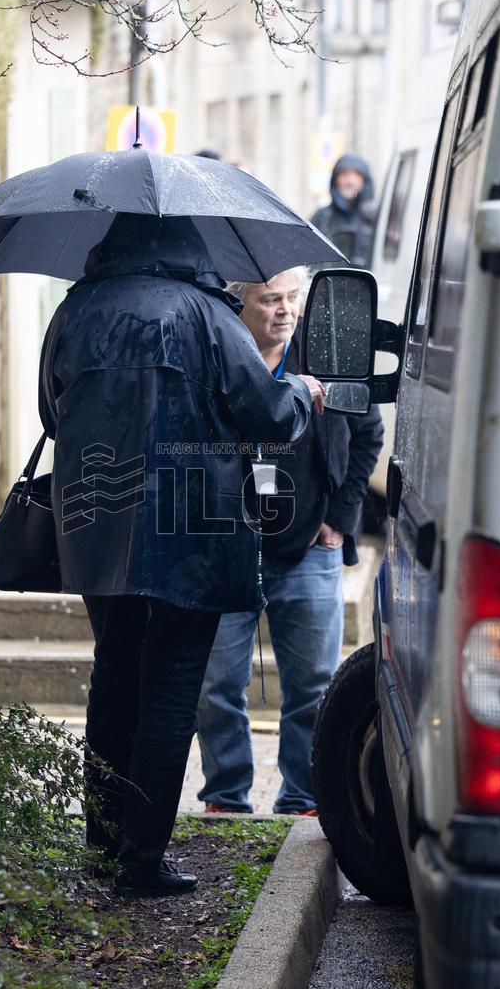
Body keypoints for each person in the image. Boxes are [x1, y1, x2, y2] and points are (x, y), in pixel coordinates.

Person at [38, 215, 326, 896]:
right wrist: (302, 394)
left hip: (97, 520)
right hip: (193, 527)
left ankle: (103, 844)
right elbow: (268, 415)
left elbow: (52, 413)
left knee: (114, 674)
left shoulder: (76, 309)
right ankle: (141, 859)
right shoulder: (209, 314)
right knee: (171, 687)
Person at [197, 267, 384, 815]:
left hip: (310, 547)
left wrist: (341, 517)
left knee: (313, 685)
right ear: (240, 304)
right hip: (228, 547)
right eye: (270, 300)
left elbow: (368, 433)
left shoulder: (326, 354)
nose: (285, 310)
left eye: (293, 298)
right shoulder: (215, 355)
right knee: (215, 684)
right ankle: (226, 797)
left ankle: (303, 797)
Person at [311, 154, 376, 267]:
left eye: (356, 175)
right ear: (336, 180)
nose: (349, 181)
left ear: (364, 181)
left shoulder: (375, 217)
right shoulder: (322, 217)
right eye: (344, 175)